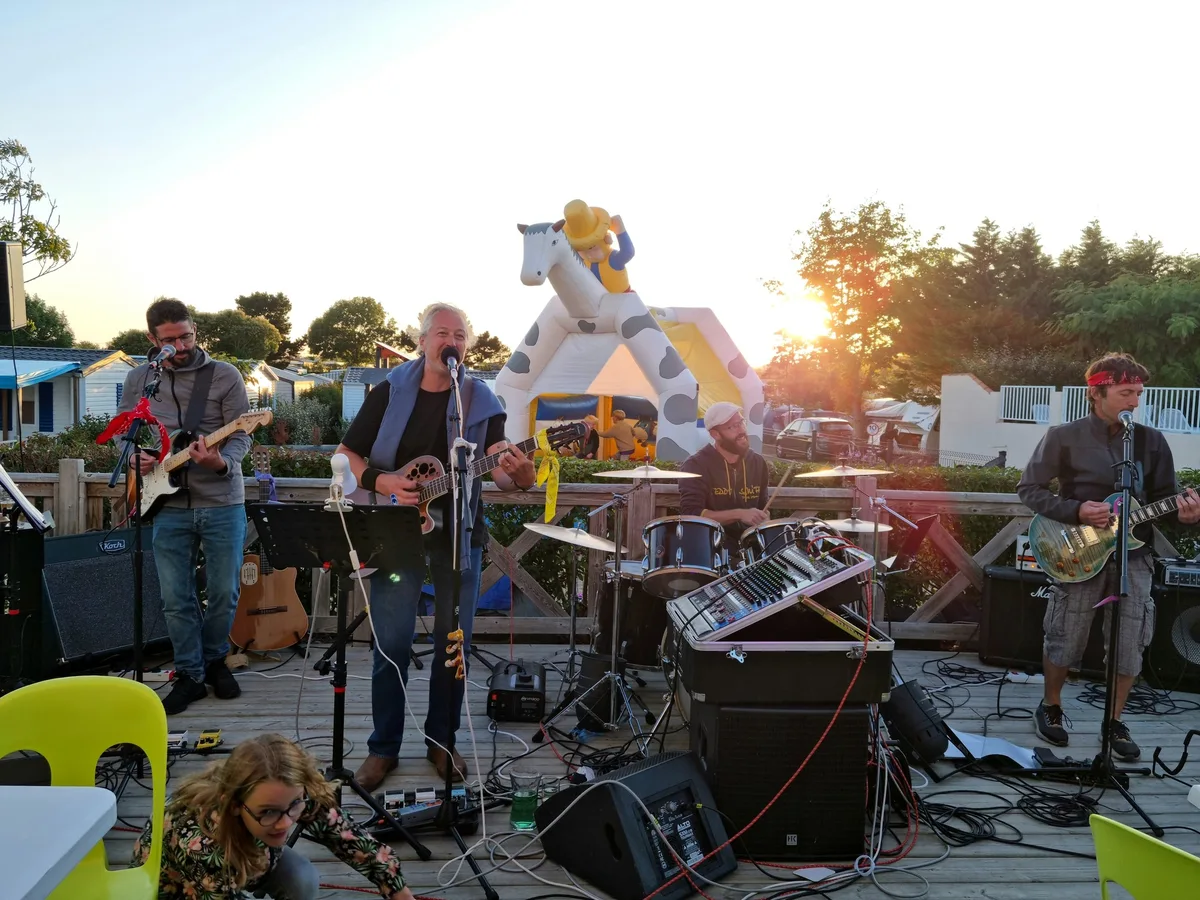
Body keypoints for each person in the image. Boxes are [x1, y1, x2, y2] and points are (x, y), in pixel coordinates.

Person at [335, 302, 537, 790]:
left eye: (461, 334)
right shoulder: (389, 391)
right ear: (423, 341)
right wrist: (385, 484)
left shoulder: (478, 399)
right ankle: (383, 748)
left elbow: (504, 472)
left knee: (454, 647)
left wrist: (521, 469)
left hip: (459, 539)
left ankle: (441, 742)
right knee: (392, 644)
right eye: (442, 332)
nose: (452, 340)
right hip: (394, 532)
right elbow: (348, 453)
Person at [1018, 353, 1200, 761]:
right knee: (1067, 631)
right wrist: (1077, 510)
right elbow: (1029, 489)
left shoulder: (1152, 441)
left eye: (1138, 393)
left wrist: (1189, 517)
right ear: (1096, 393)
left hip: (1134, 555)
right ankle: (1051, 706)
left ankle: (1114, 720)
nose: (1135, 401)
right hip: (1075, 549)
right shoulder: (1063, 436)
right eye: (1125, 392)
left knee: (1131, 641)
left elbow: (1166, 504)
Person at [115, 298, 251, 716]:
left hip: (221, 500)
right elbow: (124, 431)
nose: (181, 345)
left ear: (195, 331)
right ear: (153, 340)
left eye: (186, 336)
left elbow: (243, 435)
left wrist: (220, 461)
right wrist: (132, 453)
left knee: (225, 592)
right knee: (176, 598)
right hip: (163, 503)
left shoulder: (224, 376)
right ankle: (190, 673)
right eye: (170, 340)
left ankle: (213, 660)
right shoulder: (141, 379)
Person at [132, 733, 416, 900]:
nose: (285, 822)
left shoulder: (291, 792)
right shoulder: (202, 846)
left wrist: (398, 890)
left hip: (249, 856)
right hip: (185, 887)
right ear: (233, 804)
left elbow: (352, 841)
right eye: (268, 812)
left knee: (302, 880)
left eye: (294, 805)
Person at [679, 401, 771, 559]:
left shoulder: (757, 462)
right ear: (715, 434)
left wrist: (765, 518)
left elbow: (763, 506)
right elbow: (691, 514)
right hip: (711, 552)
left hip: (753, 550)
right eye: (732, 427)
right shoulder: (696, 465)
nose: (741, 430)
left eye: (741, 422)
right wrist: (739, 514)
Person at [561, 200, 635, 293]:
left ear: (606, 239)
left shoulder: (612, 260)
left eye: (592, 248)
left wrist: (620, 232)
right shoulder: (584, 263)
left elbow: (628, 252)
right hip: (596, 303)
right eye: (581, 250)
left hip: (622, 300)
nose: (589, 255)